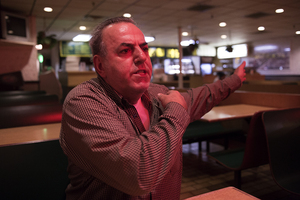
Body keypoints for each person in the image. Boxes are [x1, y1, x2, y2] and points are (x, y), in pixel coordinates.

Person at [59, 16, 246, 200]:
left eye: (144, 48)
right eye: (125, 50)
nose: (142, 57)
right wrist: (175, 112)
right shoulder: (83, 102)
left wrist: (235, 80)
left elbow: (203, 95)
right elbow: (137, 175)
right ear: (100, 66)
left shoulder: (158, 93)